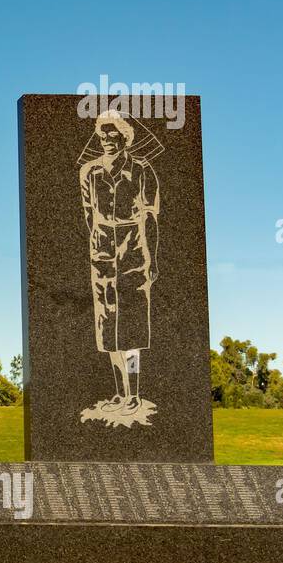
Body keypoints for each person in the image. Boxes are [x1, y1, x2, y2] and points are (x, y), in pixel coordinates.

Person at [79, 111, 161, 422]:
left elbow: (151, 216)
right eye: (102, 137)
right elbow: (89, 214)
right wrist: (100, 243)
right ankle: (118, 392)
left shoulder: (141, 170)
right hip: (102, 253)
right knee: (107, 324)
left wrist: (152, 256)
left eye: (113, 137)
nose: (107, 142)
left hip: (133, 251)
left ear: (124, 137)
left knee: (132, 328)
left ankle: (135, 393)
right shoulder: (90, 171)